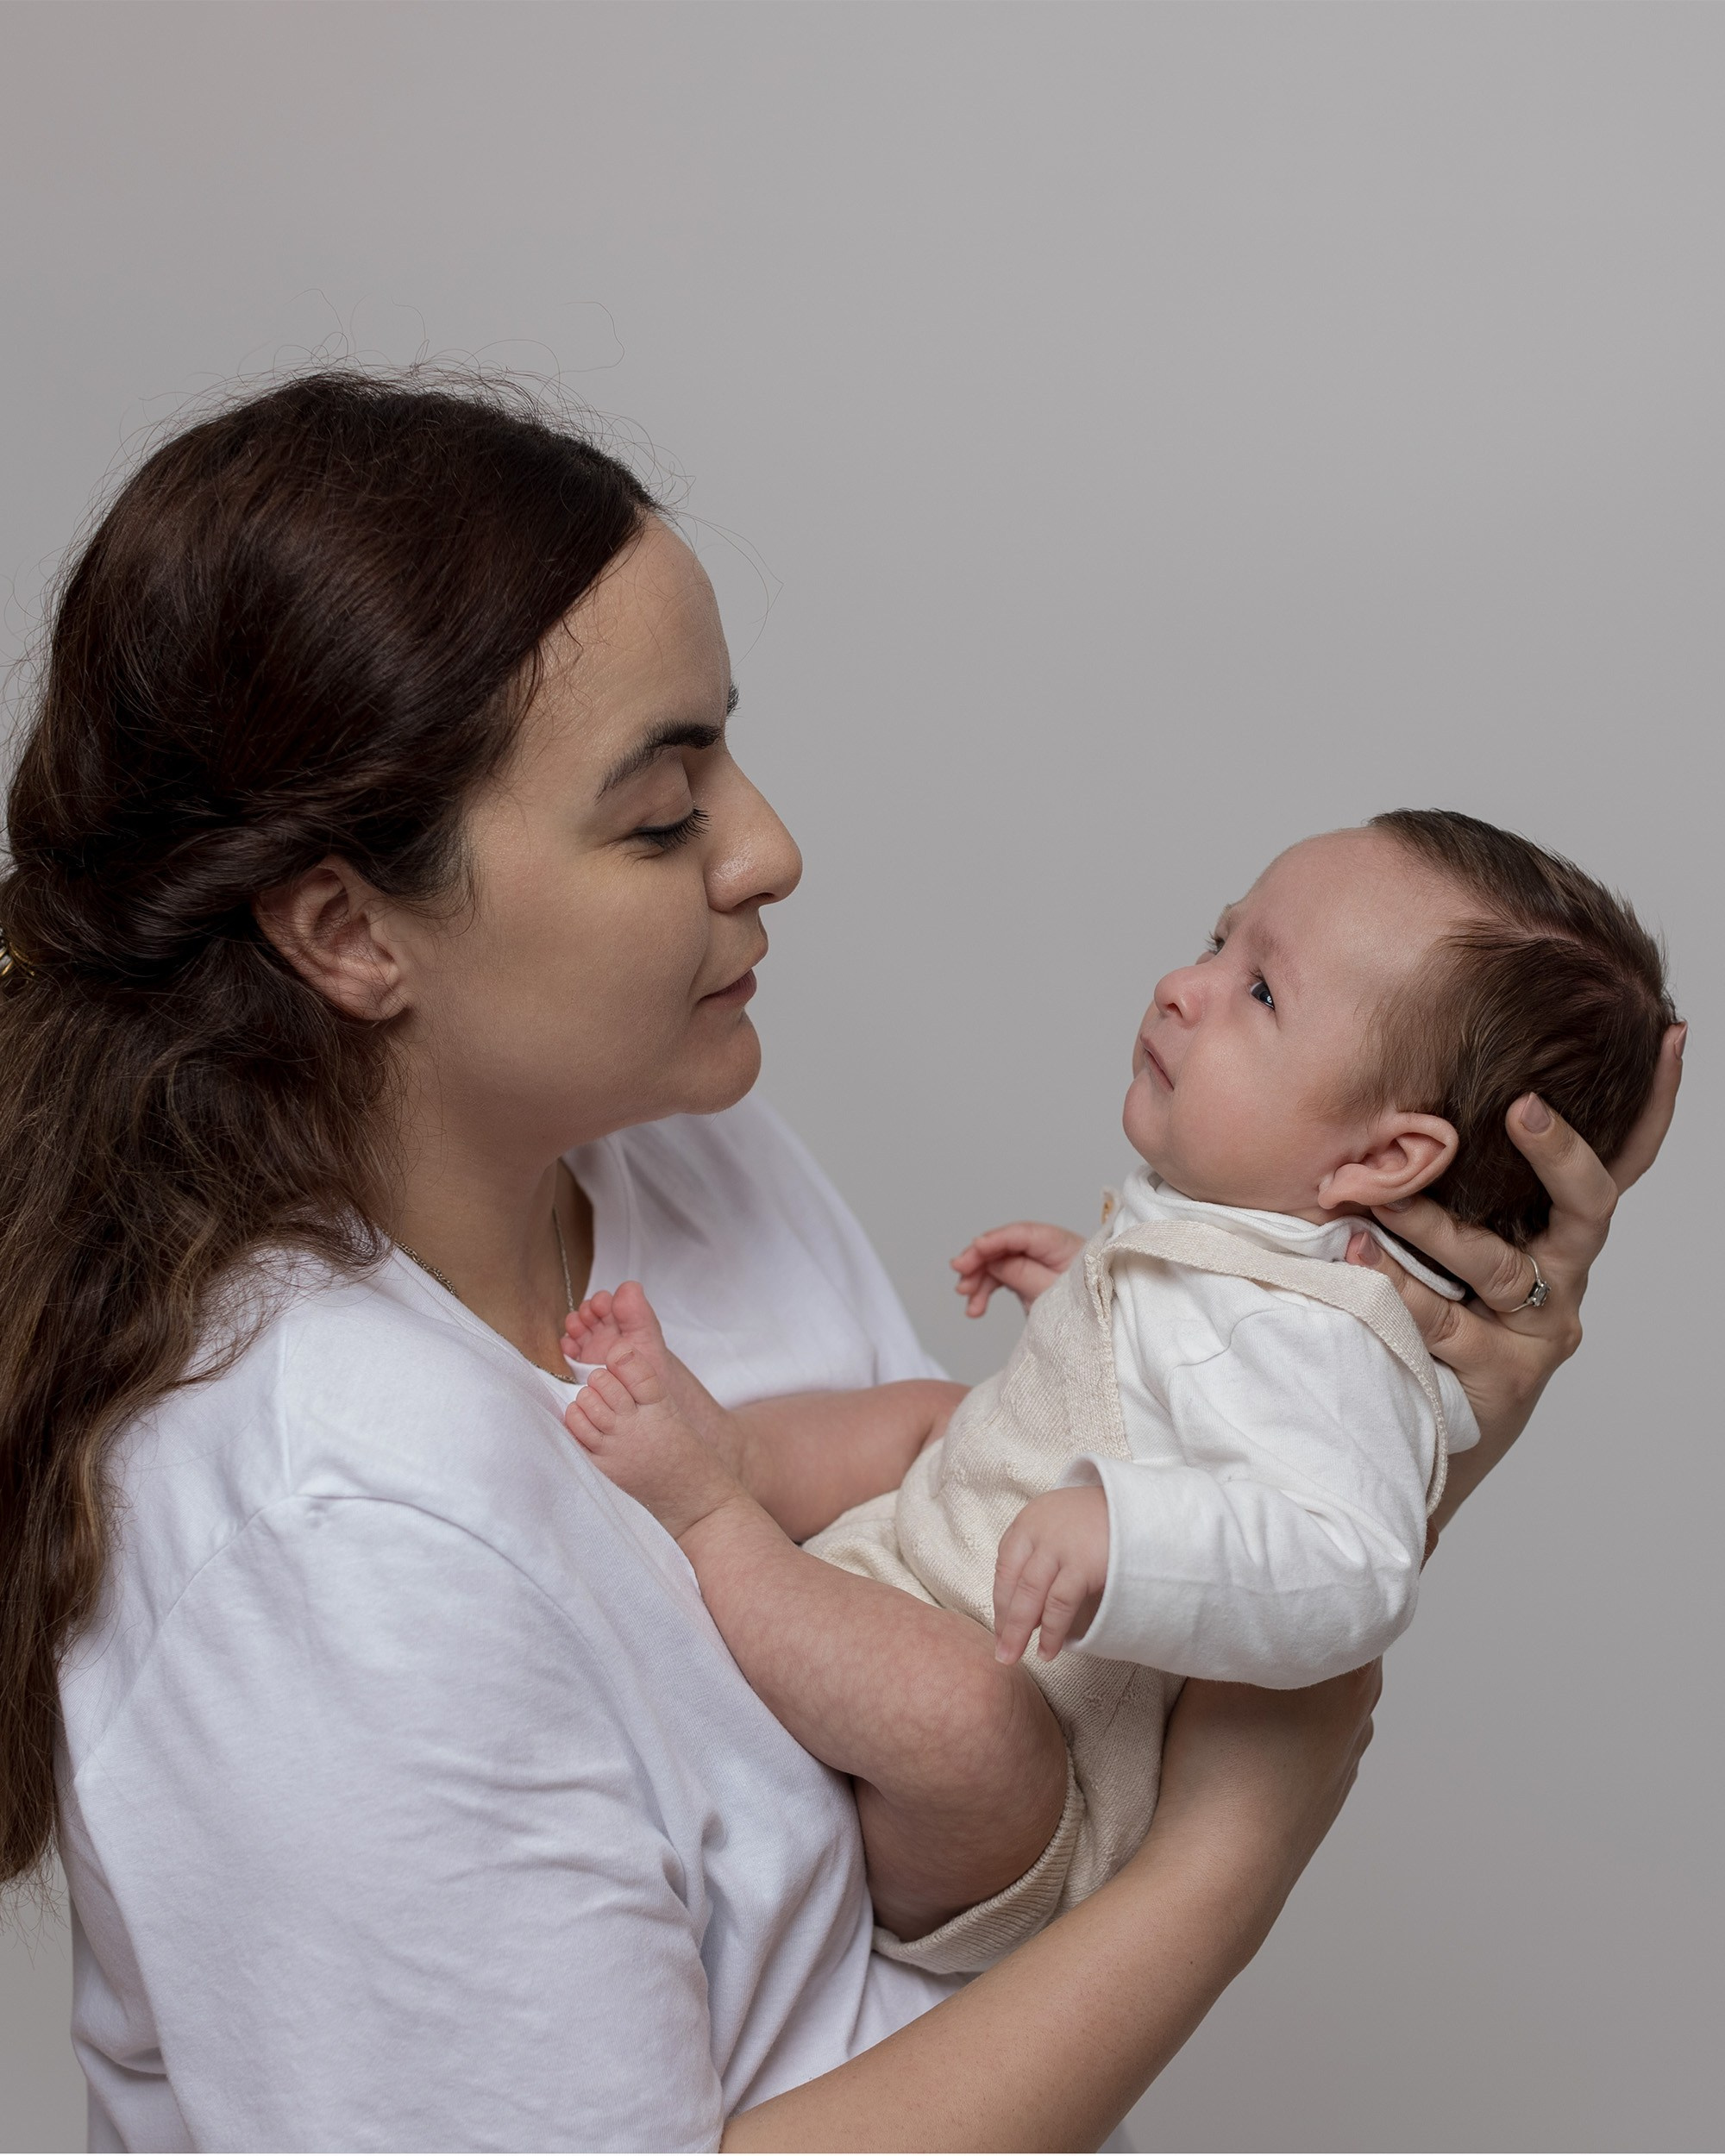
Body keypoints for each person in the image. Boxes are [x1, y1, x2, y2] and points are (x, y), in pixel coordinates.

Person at [0, 369, 1681, 2153]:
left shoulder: (678, 1147)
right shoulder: (332, 1533)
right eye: (663, 812)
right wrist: (1229, 1852)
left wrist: (1395, 1397)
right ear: (348, 930)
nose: (771, 849)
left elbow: (1016, 1663)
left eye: (726, 751)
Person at [561, 809, 1676, 1972]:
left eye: (1261, 993)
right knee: (931, 1415)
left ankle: (710, 1513)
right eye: (1218, 942)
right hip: (942, 1569)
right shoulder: (1238, 1237)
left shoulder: (1324, 1338)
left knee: (959, 1715)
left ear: (1385, 1160)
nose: (1183, 988)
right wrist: (1083, 1300)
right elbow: (1183, 1382)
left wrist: (1130, 1541)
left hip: (1019, 1797)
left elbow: (1353, 1565)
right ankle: (739, 1454)